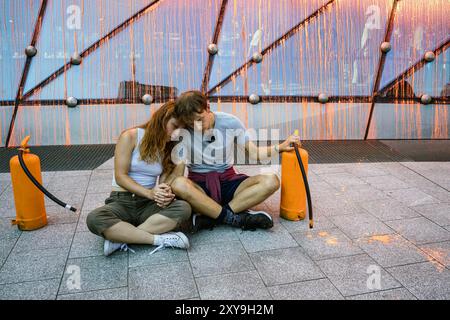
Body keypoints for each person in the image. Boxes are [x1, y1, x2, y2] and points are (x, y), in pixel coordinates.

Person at [169, 91, 301, 232]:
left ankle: (210, 215)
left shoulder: (230, 121)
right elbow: (179, 171)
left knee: (272, 181)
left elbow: (254, 153)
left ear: (208, 107)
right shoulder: (182, 130)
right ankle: (236, 216)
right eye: (190, 123)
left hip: (229, 181)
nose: (197, 126)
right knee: (178, 184)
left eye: (200, 120)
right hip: (199, 187)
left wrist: (280, 147)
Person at [86, 101, 192, 256]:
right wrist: (149, 193)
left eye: (181, 130)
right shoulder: (131, 136)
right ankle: (158, 239)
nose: (177, 133)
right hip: (121, 201)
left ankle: (121, 237)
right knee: (95, 218)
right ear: (163, 118)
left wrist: (164, 193)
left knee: (183, 208)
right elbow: (120, 176)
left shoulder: (170, 147)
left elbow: (165, 184)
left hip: (147, 205)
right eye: (175, 126)